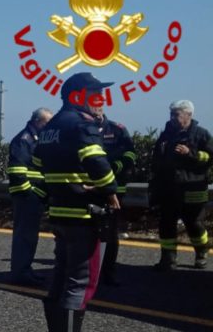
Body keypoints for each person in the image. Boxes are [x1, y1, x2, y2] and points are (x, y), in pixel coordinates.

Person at [33, 72, 118, 332]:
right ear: (78, 96)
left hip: (60, 211)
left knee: (60, 279)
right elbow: (96, 161)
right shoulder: (82, 124)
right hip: (84, 213)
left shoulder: (51, 127)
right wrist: (110, 191)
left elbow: (40, 164)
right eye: (96, 94)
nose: (101, 100)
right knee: (82, 282)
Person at [149, 99, 213, 270]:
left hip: (192, 189)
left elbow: (210, 157)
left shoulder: (201, 134)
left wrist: (191, 153)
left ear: (189, 115)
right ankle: (168, 259)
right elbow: (157, 158)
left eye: (176, 114)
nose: (172, 118)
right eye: (171, 114)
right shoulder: (166, 134)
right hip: (168, 188)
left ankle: (201, 253)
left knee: (193, 224)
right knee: (166, 223)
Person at [89, 105, 135, 285]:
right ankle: (90, 272)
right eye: (93, 106)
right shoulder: (82, 128)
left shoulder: (118, 129)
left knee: (110, 234)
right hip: (89, 188)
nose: (96, 110)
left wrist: (116, 167)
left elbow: (130, 154)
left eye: (99, 106)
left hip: (115, 189)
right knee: (88, 232)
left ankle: (108, 272)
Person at [7, 107, 53, 285]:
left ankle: (25, 269)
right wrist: (30, 193)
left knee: (30, 236)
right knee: (24, 236)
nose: (50, 126)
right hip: (27, 195)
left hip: (35, 194)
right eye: (47, 122)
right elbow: (16, 170)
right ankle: (20, 273)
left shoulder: (37, 139)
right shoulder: (24, 139)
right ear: (37, 121)